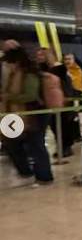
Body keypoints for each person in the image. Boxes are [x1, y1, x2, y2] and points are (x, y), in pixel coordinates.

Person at [0, 47, 53, 184]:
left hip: (35, 115)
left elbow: (31, 96)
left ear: (16, 62)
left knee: (36, 145)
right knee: (12, 143)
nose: (7, 66)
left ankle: (44, 176)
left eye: (9, 63)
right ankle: (26, 171)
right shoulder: (13, 75)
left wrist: (8, 97)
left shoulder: (30, 74)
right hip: (18, 115)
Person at [36, 48, 75, 159]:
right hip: (47, 101)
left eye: (42, 55)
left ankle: (66, 147)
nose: (39, 57)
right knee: (53, 125)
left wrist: (67, 96)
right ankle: (62, 147)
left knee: (62, 125)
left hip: (59, 101)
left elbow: (67, 83)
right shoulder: (40, 69)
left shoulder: (58, 68)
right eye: (38, 55)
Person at [63, 53, 82, 142]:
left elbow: (78, 86)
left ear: (74, 60)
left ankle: (76, 136)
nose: (67, 61)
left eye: (69, 59)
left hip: (75, 96)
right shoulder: (64, 70)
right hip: (68, 96)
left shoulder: (77, 70)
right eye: (66, 59)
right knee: (71, 117)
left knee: (74, 117)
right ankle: (74, 136)